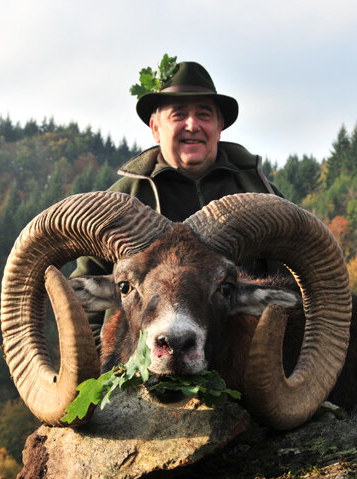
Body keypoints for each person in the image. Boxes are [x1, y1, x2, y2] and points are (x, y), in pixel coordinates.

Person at [72, 61, 281, 340]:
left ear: (219, 127)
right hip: (139, 365)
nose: (192, 125)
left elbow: (292, 287)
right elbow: (80, 296)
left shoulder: (260, 195)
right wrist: (100, 366)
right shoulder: (122, 200)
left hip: (240, 368)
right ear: (156, 127)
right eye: (178, 115)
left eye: (204, 115)